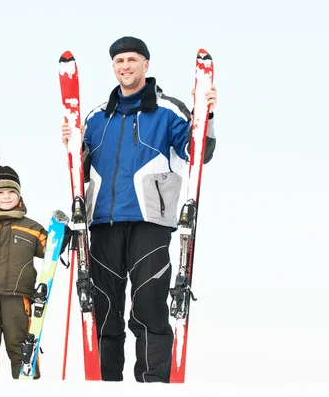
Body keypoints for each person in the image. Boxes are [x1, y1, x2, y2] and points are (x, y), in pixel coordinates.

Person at [61, 36, 218, 383]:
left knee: (148, 306)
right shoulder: (97, 118)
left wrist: (205, 117)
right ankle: (105, 383)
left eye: (132, 60)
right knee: (104, 311)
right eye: (119, 61)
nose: (125, 66)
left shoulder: (167, 112)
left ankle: (152, 385)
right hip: (102, 224)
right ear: (113, 67)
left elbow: (198, 154)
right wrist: (72, 145)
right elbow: (81, 168)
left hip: (150, 222)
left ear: (146, 65)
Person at [0, 166, 69, 379]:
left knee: (21, 346)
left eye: (11, 192)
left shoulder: (31, 227)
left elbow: (49, 249)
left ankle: (26, 384)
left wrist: (62, 234)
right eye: (0, 192)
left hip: (18, 299)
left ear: (19, 195)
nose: (6, 197)